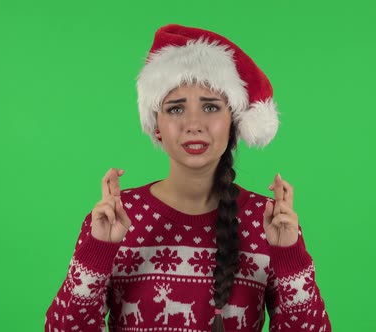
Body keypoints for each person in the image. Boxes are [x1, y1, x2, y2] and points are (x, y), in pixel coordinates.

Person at [45, 24, 331, 332]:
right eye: (176, 108)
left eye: (210, 107)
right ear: (156, 126)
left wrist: (289, 256)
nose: (194, 124)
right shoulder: (116, 218)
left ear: (232, 122)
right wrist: (98, 251)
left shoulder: (269, 222)